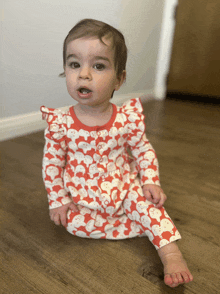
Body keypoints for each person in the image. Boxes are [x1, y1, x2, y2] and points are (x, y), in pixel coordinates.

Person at [41, 19, 193, 288]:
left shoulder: (127, 119)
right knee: (73, 223)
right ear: (65, 70)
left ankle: (170, 252)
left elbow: (143, 150)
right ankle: (136, 226)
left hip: (123, 187)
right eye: (74, 64)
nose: (84, 75)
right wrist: (59, 200)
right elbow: (52, 165)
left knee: (149, 207)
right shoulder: (60, 123)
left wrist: (150, 181)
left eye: (98, 66)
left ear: (119, 79)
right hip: (83, 194)